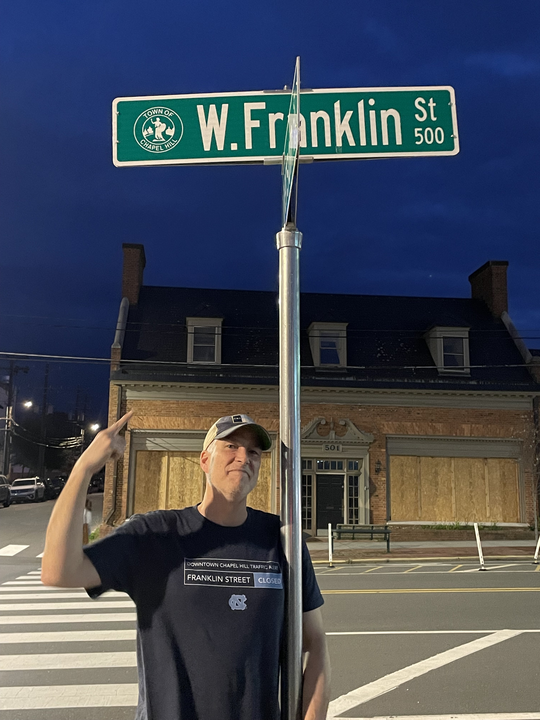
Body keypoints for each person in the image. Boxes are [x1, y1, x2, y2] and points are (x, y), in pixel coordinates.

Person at [42, 412, 330, 720]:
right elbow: (59, 570)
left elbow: (314, 642)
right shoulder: (156, 534)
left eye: (254, 452)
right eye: (231, 446)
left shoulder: (282, 540)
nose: (243, 457)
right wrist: (83, 469)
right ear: (205, 460)